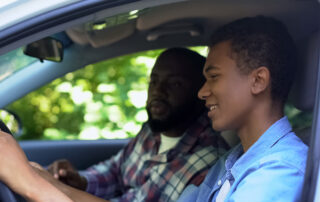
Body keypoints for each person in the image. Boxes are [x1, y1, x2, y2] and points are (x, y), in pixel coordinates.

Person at [0, 48, 228, 202]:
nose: (158, 91)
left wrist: (36, 183)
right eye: (154, 81)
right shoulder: (154, 130)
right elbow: (116, 170)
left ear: (200, 93)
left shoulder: (206, 158)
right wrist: (81, 181)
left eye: (175, 84)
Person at [177, 16, 308, 202]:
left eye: (213, 76)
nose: (202, 92)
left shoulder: (279, 171)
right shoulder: (232, 160)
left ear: (258, 81)